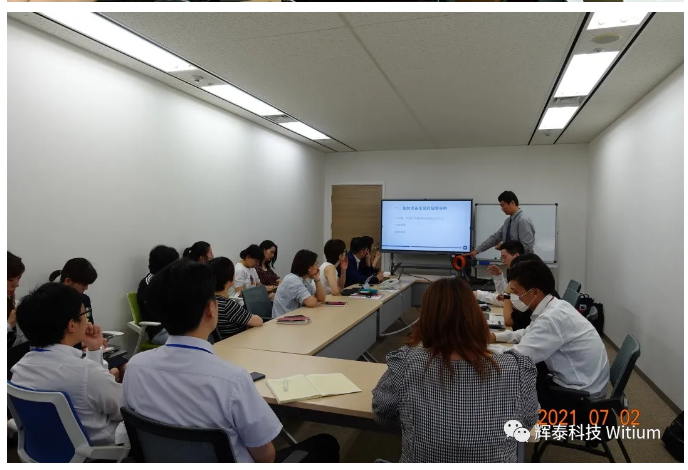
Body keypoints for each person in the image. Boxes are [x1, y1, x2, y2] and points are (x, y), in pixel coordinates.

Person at [121, 259, 339, 463]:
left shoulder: (135, 367)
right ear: (210, 309)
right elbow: (266, 457)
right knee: (326, 443)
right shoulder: (232, 379)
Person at [372, 277, 538, 463]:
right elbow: (527, 421)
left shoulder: (406, 363)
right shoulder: (516, 369)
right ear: (476, 316)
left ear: (426, 319)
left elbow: (383, 413)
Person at [489, 260, 610, 411]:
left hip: (579, 397)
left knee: (507, 392)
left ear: (534, 292)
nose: (515, 297)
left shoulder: (551, 318)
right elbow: (528, 332)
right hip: (581, 383)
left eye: (516, 292)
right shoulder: (556, 305)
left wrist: (485, 348)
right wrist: (494, 338)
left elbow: (518, 358)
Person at [11, 283, 122, 445]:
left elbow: (85, 381)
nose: (87, 319)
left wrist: (93, 350)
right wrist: (107, 380)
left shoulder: (20, 368)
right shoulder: (88, 374)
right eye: (85, 313)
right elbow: (122, 409)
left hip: (46, 449)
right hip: (98, 450)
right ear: (71, 325)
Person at [50, 258, 126, 381]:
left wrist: (93, 341)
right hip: (67, 354)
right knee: (112, 372)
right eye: (83, 284)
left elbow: (88, 327)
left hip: (84, 349)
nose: (86, 288)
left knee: (125, 365)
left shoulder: (84, 299)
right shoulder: (51, 302)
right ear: (68, 281)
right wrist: (82, 344)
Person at [500, 253, 559, 331]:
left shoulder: (548, 316)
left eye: (516, 292)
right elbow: (527, 332)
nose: (519, 298)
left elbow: (509, 320)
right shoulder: (545, 295)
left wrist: (507, 295)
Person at [209, 257, 263, 339]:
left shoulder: (207, 302)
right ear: (229, 281)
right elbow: (258, 321)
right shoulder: (228, 306)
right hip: (238, 342)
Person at [470, 191, 535, 256]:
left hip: (523, 260)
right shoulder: (508, 221)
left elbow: (527, 247)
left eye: (503, 205)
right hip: (511, 260)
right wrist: (477, 250)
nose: (502, 209)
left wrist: (504, 246)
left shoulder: (523, 220)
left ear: (512, 203)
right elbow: (495, 237)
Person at [137, 245, 179, 345]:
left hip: (174, 328)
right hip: (160, 331)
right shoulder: (149, 284)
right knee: (191, 341)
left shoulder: (167, 281)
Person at [272, 250, 326, 318]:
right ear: (309, 268)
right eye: (316, 264)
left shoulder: (304, 280)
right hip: (283, 320)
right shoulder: (293, 280)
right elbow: (312, 302)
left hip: (294, 317)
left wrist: (317, 279)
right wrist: (314, 298)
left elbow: (321, 298)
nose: (317, 267)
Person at [474, 240, 525, 305]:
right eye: (501, 258)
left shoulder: (525, 274)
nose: (503, 261)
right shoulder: (516, 272)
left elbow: (513, 302)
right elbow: (505, 294)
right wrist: (498, 276)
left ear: (516, 256)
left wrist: (478, 294)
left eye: (504, 257)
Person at [8, 251, 26, 348]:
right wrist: (8, 325)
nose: (16, 284)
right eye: (10, 280)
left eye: (18, 278)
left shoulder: (15, 304)